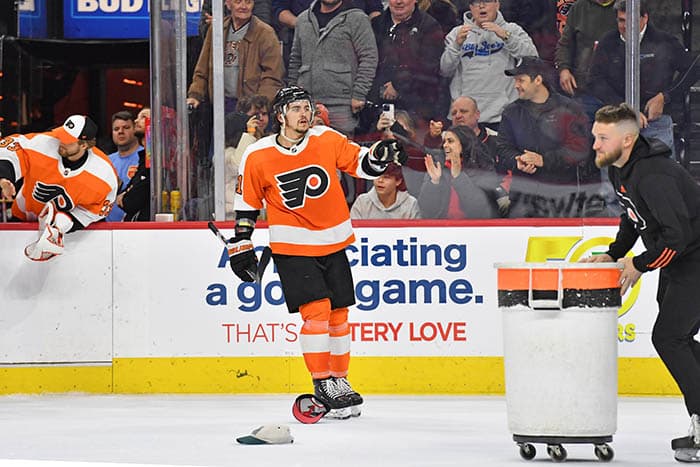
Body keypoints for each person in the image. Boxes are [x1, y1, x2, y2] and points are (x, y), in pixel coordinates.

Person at [229, 86, 406, 416]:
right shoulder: (258, 154)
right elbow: (247, 205)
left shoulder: (326, 138)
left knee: (339, 316)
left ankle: (340, 380)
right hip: (292, 245)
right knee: (317, 312)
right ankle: (322, 382)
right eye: (296, 108)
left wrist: (379, 157)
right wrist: (241, 244)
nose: (304, 113)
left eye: (307, 107)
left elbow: (360, 164)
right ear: (281, 115)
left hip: (334, 242)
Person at [583, 103, 700, 461]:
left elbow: (676, 237)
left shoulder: (654, 174)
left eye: (603, 138)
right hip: (681, 260)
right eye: (595, 137)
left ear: (628, 139)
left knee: (670, 336)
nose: (595, 146)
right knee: (676, 337)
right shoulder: (622, 169)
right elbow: (632, 215)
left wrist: (638, 264)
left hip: (693, 258)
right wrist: (614, 251)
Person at [587, 0, 697, 159]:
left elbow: (693, 69)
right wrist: (623, 107)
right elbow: (594, 80)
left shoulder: (664, 42)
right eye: (621, 20)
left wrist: (665, 96)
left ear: (645, 18)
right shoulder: (608, 43)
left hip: (656, 123)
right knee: (613, 181)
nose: (625, 26)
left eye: (630, 20)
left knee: (660, 178)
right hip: (617, 122)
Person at [0, 115, 118, 260]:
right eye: (61, 135)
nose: (61, 142)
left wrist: (62, 227)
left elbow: (97, 209)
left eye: (68, 141)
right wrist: (5, 176)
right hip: (23, 218)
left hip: (64, 233)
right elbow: (14, 148)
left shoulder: (103, 173)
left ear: (84, 145)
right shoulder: (45, 143)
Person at [496, 56, 602, 218]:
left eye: (521, 80)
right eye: (515, 81)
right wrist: (517, 160)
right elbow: (503, 148)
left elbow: (581, 150)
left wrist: (544, 160)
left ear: (538, 80)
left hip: (562, 198)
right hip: (523, 198)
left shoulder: (570, 108)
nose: (516, 85)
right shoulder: (511, 112)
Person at [440, 0, 538, 130]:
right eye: (476, 2)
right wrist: (456, 46)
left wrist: (506, 36)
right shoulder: (456, 33)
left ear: (497, 4)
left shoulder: (511, 29)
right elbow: (445, 70)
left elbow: (533, 59)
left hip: (503, 116)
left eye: (486, 1)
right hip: (465, 117)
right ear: (470, 7)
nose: (481, 6)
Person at [287, 0, 378, 137]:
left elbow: (369, 57)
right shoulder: (303, 19)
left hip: (342, 106)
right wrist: (292, 97)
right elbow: (295, 60)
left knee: (341, 154)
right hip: (306, 105)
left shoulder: (357, 19)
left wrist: (359, 94)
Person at [187, 0, 284, 114]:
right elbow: (202, 69)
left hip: (252, 108)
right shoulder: (216, 29)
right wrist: (195, 95)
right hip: (220, 105)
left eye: (248, 2)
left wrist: (259, 105)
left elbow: (273, 77)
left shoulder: (266, 33)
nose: (243, 6)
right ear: (227, 4)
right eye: (238, 2)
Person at [369, 0, 445, 130]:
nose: (399, 2)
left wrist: (397, 85)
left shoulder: (430, 26)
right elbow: (368, 60)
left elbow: (430, 65)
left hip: (417, 107)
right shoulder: (376, 24)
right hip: (378, 104)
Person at [419, 125, 499, 219]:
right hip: (443, 229)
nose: (445, 145)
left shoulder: (483, 167)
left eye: (450, 141)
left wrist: (458, 177)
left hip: (475, 229)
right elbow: (426, 211)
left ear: (464, 143)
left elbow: (479, 210)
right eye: (444, 142)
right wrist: (434, 183)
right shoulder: (438, 167)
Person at [554, 0, 616, 120]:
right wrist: (564, 69)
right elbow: (565, 44)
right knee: (581, 135)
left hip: (617, 91)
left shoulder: (627, 7)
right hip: (585, 90)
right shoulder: (579, 8)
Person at [449, 95, 510, 215]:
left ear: (477, 114)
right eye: (454, 113)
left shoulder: (498, 141)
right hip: (450, 220)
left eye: (463, 111)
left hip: (489, 216)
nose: (458, 116)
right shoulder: (444, 144)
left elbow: (509, 181)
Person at [106, 111, 142, 222]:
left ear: (135, 129)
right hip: (107, 227)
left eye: (126, 127)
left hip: (135, 225)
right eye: (116, 129)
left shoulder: (146, 157)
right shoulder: (105, 161)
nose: (120, 132)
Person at [350, 162, 420, 219]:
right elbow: (352, 232)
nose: (380, 180)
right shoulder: (362, 202)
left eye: (386, 177)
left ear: (398, 181)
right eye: (377, 176)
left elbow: (417, 233)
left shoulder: (411, 204)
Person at [118, 107, 152, 222]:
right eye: (137, 118)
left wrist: (127, 195)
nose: (136, 121)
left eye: (143, 117)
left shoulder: (156, 159)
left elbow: (131, 202)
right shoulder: (144, 157)